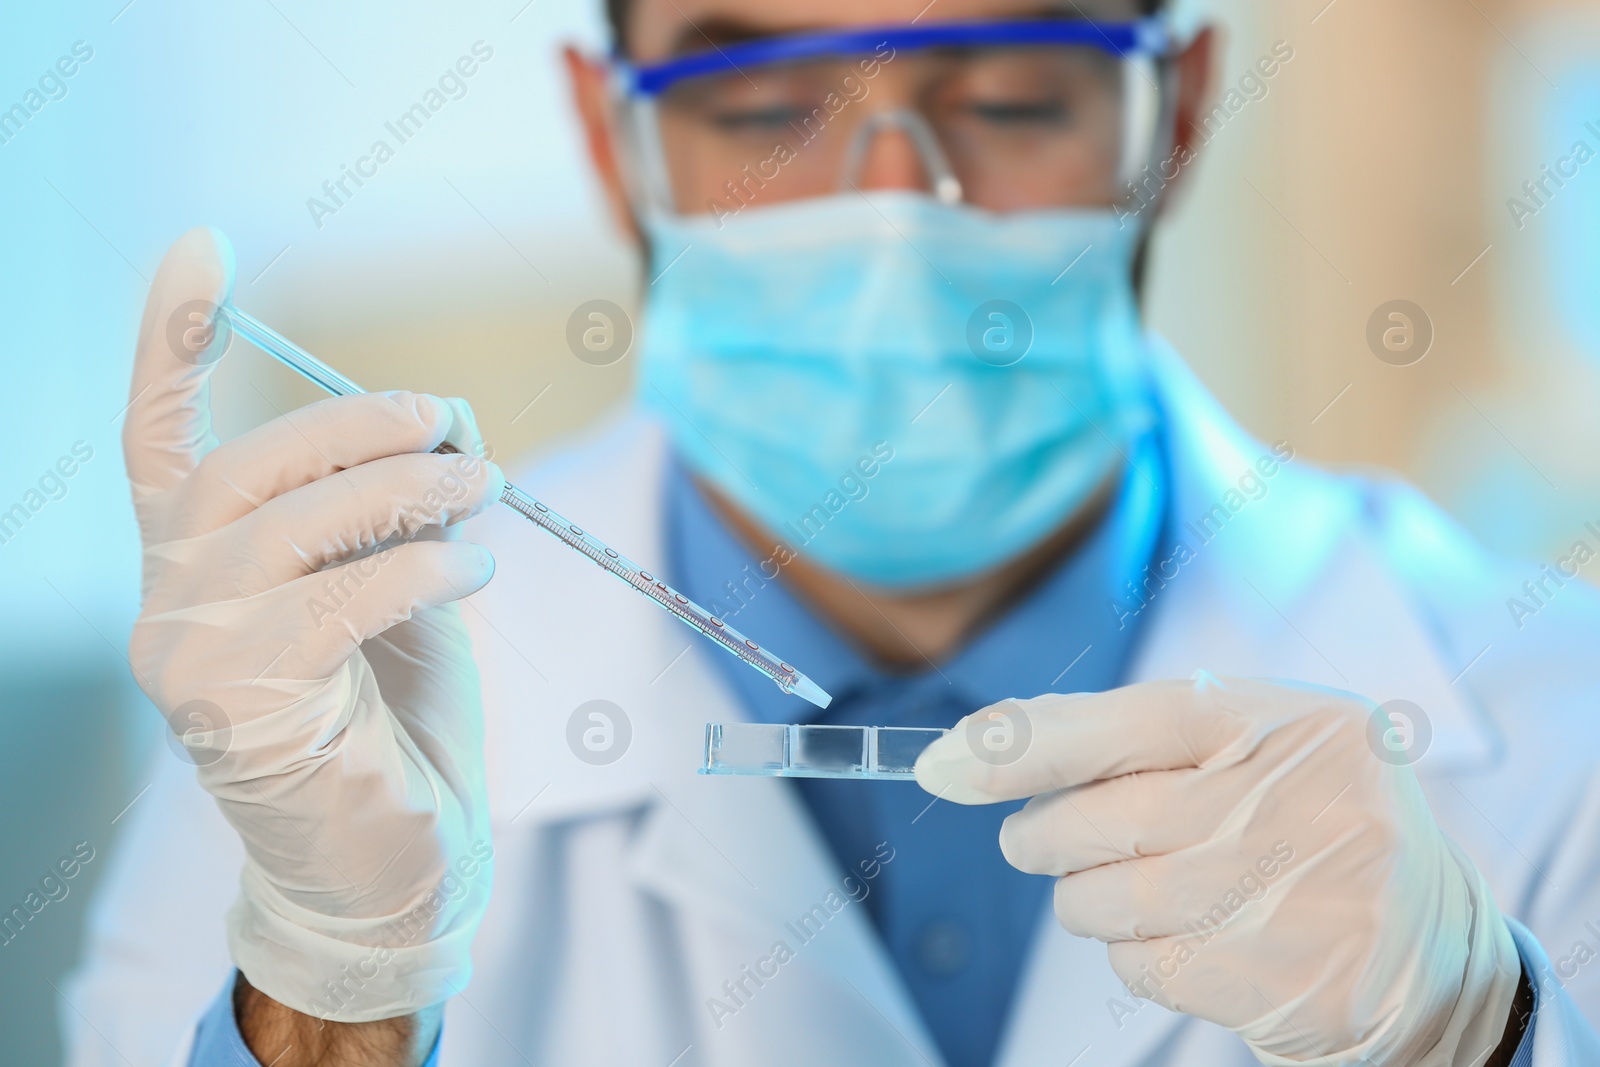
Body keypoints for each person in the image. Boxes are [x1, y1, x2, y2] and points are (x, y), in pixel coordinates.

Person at [65, 0, 1600, 1063]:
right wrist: (336, 990)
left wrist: (1481, 1044)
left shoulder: (1552, 716)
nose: (894, 205)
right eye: (762, 101)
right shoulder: (322, 726)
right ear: (614, 143)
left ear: (1177, 110)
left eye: (1009, 92)